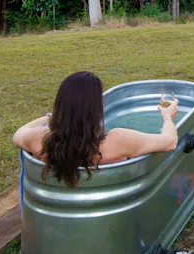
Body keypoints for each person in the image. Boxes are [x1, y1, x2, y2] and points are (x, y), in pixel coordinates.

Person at [12, 71, 180, 187]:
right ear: (97, 108)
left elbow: (18, 134)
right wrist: (167, 117)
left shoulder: (41, 139)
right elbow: (170, 142)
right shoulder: (118, 140)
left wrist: (50, 117)